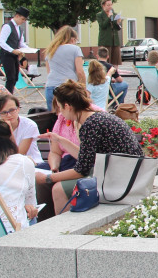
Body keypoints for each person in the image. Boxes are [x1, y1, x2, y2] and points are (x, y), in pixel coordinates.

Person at [35, 80, 143, 214]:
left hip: (120, 178)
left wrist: (47, 178)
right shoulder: (97, 118)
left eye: (60, 108)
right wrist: (60, 140)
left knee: (59, 190)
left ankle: (65, 231)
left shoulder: (90, 124)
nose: (60, 113)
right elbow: (86, 158)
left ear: (68, 106)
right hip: (128, 172)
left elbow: (81, 170)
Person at [0, 94, 44, 167]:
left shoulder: (29, 125)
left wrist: (9, 131)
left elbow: (19, 154)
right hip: (4, 166)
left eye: (12, 110)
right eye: (4, 112)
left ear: (18, 109)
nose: (9, 115)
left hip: (32, 164)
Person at [43, 25, 85, 107]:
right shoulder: (75, 49)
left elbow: (49, 71)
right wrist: (83, 88)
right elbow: (80, 72)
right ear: (73, 39)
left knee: (53, 116)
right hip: (68, 87)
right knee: (69, 116)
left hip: (51, 85)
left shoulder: (50, 50)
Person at [0, 6, 30, 94]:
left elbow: (21, 43)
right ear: (17, 16)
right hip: (7, 55)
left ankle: (9, 94)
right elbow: (1, 42)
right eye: (22, 19)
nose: (23, 21)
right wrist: (12, 50)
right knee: (10, 78)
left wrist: (29, 49)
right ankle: (7, 97)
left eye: (24, 20)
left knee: (15, 77)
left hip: (14, 56)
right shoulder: (7, 26)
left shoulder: (19, 29)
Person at [96, 0, 123, 67]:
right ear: (103, 5)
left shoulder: (114, 14)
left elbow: (117, 28)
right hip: (105, 41)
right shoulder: (100, 15)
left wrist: (117, 22)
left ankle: (115, 74)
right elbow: (102, 26)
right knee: (105, 60)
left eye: (111, 5)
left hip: (115, 40)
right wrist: (108, 18)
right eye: (108, 5)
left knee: (115, 60)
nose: (110, 7)